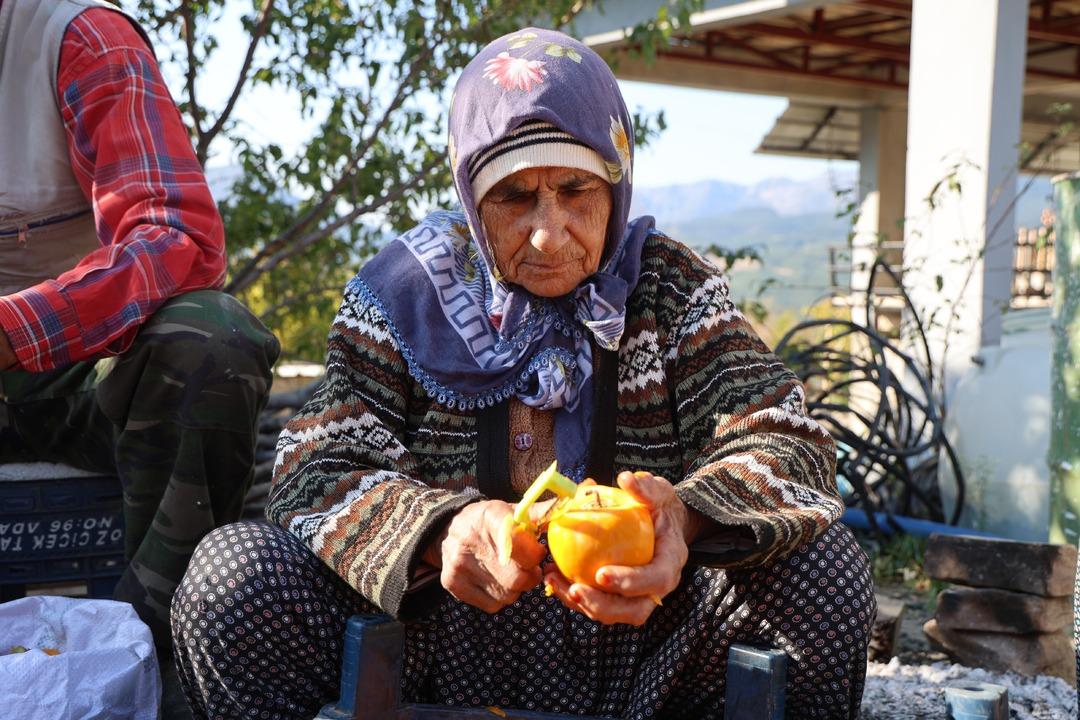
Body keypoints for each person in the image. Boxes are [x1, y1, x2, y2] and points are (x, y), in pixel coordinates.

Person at [172, 27, 874, 720]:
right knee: (232, 580)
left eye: (576, 189)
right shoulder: (405, 297)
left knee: (826, 575)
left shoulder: (671, 291)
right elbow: (314, 465)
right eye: (513, 196)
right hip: (425, 642)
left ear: (615, 183)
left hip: (643, 639)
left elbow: (787, 438)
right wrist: (440, 530)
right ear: (470, 193)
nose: (547, 230)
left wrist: (681, 520)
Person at [0, 0, 279, 647]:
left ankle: (158, 646)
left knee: (212, 339)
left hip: (76, 381)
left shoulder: (80, 40)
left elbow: (177, 237)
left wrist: (13, 330)